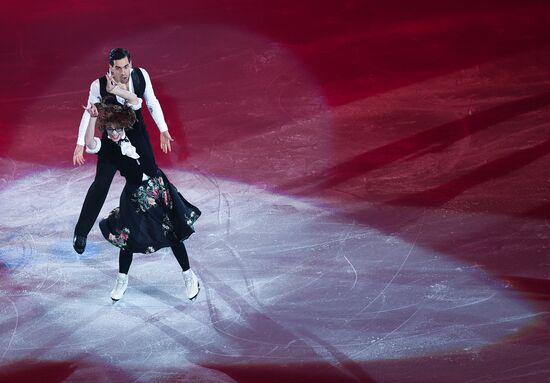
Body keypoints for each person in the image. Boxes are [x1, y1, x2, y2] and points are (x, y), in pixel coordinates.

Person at [82, 81, 200, 301]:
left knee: (173, 235)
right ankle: (122, 280)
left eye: (118, 129)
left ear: (124, 126)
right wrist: (92, 117)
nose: (114, 133)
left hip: (158, 188)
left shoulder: (137, 131)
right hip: (134, 196)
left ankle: (189, 276)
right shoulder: (108, 146)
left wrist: (117, 91)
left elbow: (136, 102)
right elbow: (90, 143)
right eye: (110, 129)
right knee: (127, 238)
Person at [72, 48, 173, 255]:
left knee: (152, 176)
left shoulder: (141, 76)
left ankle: (169, 220)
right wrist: (81, 142)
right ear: (111, 68)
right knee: (101, 185)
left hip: (136, 133)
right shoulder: (98, 85)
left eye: (126, 66)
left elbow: (151, 101)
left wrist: (163, 129)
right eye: (118, 68)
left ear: (131, 64)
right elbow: (89, 113)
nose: (123, 72)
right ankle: (81, 232)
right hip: (112, 138)